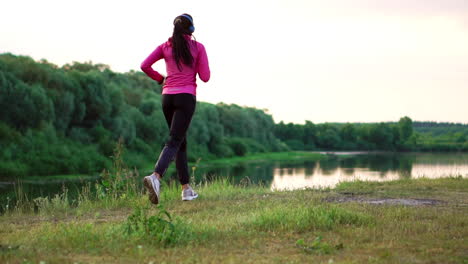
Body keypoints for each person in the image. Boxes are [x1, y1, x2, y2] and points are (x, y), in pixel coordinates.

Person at [140, 13, 210, 204]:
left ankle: (186, 189)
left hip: (167, 98)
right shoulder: (198, 47)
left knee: (180, 142)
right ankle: (156, 176)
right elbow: (205, 77)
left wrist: (160, 79)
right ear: (191, 30)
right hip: (186, 97)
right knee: (174, 140)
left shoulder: (165, 47)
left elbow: (144, 65)